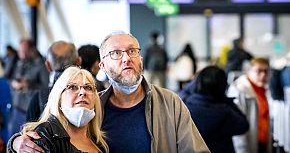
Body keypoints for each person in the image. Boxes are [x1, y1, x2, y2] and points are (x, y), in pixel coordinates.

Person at [10, 31, 209, 152]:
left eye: (132, 51)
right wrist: (16, 142)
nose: (126, 58)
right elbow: (50, 131)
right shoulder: (90, 109)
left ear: (141, 59)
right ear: (102, 65)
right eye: (116, 53)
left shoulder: (169, 103)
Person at [8, 66, 109, 152]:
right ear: (59, 98)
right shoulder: (43, 137)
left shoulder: (100, 142)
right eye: (73, 87)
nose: (83, 92)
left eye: (88, 87)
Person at [179, 65, 249, 152]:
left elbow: (184, 91)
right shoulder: (225, 111)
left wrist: (197, 82)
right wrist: (226, 100)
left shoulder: (185, 105)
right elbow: (244, 125)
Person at [26, 40, 81, 122]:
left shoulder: (39, 98)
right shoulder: (95, 93)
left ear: (48, 66)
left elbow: (28, 131)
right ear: (79, 62)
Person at [227, 57, 272, 153]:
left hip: (262, 141)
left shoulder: (264, 89)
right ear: (248, 72)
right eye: (259, 71)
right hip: (248, 144)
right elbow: (237, 126)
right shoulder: (239, 90)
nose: (263, 75)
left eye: (266, 71)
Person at [9, 39, 49, 136]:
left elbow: (46, 88)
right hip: (16, 109)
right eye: (20, 51)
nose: (23, 54)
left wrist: (28, 85)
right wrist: (14, 84)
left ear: (32, 50)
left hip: (28, 112)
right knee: (11, 141)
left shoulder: (41, 64)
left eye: (25, 51)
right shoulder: (18, 63)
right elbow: (11, 78)